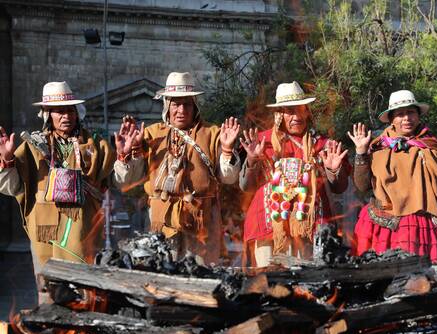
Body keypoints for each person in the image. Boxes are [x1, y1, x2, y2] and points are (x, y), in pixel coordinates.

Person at [0, 81, 115, 300]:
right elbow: (12, 187)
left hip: (83, 233)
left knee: (84, 294)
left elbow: (117, 178)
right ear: (47, 115)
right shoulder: (32, 147)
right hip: (46, 237)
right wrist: (7, 161)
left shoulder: (95, 145)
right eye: (59, 111)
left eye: (70, 110)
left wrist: (130, 155)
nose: (66, 116)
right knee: (50, 298)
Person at [113, 72, 241, 265]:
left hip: (201, 221)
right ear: (167, 106)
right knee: (162, 275)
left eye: (187, 104)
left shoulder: (213, 134)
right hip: (160, 221)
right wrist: (127, 154)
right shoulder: (151, 134)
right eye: (175, 104)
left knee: (201, 278)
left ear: (195, 106)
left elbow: (229, 178)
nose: (181, 110)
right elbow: (126, 181)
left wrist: (227, 149)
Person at [350, 90, 437, 263]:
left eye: (410, 112)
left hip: (428, 226)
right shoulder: (378, 147)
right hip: (388, 225)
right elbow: (362, 185)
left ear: (418, 116)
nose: (406, 118)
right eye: (400, 114)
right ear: (391, 119)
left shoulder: (431, 145)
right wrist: (360, 153)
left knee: (429, 280)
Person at [240, 81, 350, 267]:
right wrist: (251, 161)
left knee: (305, 282)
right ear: (279, 114)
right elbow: (246, 187)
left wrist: (333, 170)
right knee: (268, 280)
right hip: (269, 223)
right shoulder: (260, 142)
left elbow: (340, 187)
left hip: (309, 224)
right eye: (289, 111)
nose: (296, 116)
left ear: (307, 111)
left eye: (300, 109)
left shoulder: (323, 145)